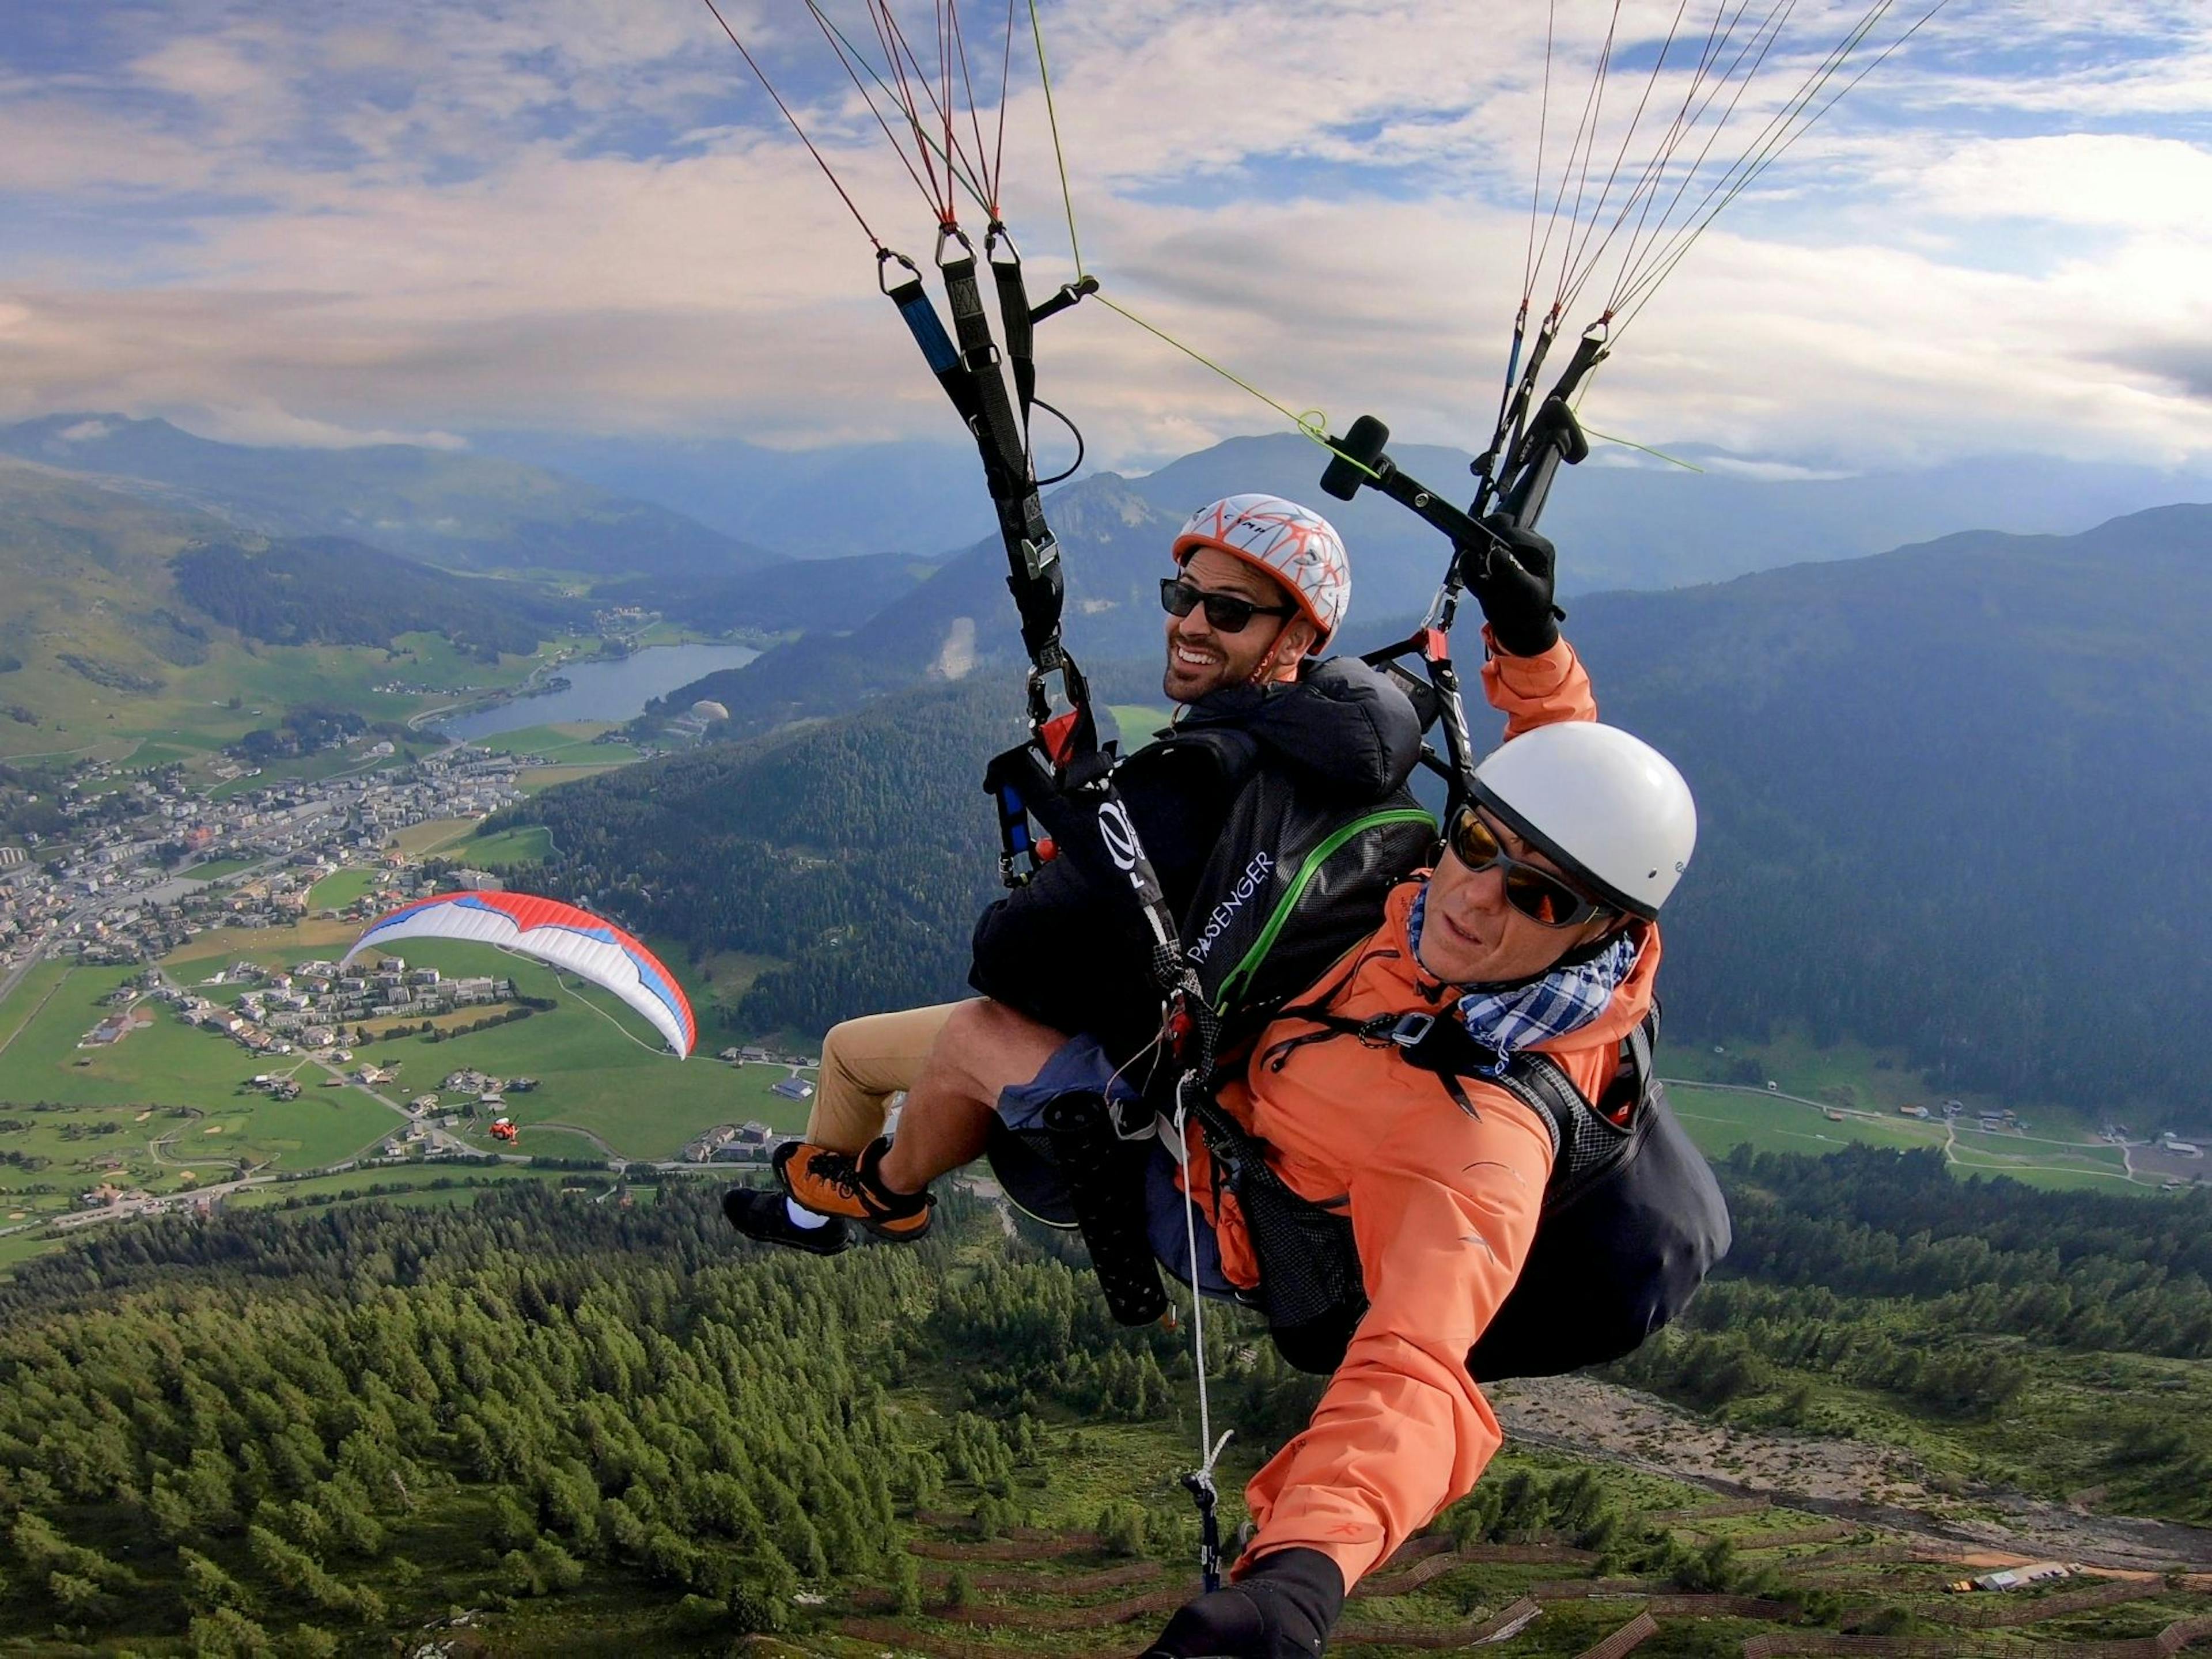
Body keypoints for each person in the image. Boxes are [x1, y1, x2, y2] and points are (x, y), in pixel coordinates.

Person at [725, 493, 1422, 1253]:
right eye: (1183, 596)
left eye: (1227, 612)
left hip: (1146, 1069)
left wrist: (1073, 871)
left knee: (867, 1050)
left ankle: (865, 1203)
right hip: (1243, 1041)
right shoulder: (1362, 755)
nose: (1190, 624)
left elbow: (1004, 959)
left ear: (1295, 636)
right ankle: (830, 1209)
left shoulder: (1193, 778)